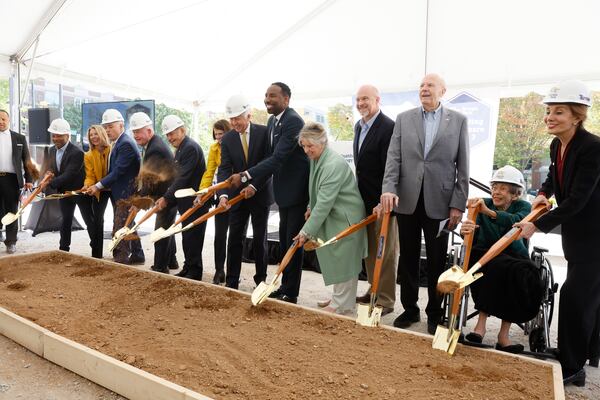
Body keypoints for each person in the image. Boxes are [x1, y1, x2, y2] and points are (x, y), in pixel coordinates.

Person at [517, 80, 600, 386]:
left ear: (577, 116)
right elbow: (555, 176)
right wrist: (542, 192)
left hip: (595, 237)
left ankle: (573, 366)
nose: (550, 117)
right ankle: (584, 352)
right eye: (549, 111)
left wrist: (537, 224)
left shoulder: (593, 148)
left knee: (576, 297)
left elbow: (578, 198)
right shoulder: (557, 145)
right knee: (589, 297)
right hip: (578, 237)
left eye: (559, 112)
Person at [381, 73, 469, 334]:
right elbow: (393, 158)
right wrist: (388, 189)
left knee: (436, 259)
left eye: (430, 85)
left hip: (440, 202)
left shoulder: (458, 121)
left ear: (443, 90)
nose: (424, 89)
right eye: (421, 85)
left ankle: (434, 313)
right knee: (407, 257)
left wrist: (458, 203)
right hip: (406, 199)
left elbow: (463, 167)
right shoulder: (404, 119)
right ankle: (409, 309)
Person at [231, 82, 309, 303]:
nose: (267, 99)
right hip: (283, 192)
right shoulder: (273, 121)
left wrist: (246, 175)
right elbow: (270, 160)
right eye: (266, 95)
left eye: (273, 96)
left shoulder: (294, 121)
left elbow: (278, 158)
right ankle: (284, 286)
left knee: (293, 243)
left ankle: (291, 292)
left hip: (296, 193)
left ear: (286, 99)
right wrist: (254, 184)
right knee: (285, 242)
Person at [461, 166, 543, 353]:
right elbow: (470, 232)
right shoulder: (482, 203)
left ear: (515, 195)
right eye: (495, 187)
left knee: (523, 274)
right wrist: (465, 229)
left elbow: (515, 223)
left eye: (503, 189)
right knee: (495, 266)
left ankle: (503, 335)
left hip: (514, 254)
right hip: (484, 253)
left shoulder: (523, 207)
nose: (496, 192)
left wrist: (488, 212)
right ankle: (479, 328)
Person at [294, 122, 367, 315]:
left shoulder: (332, 163)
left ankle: (343, 303)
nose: (307, 150)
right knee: (336, 259)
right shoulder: (317, 158)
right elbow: (315, 188)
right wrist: (310, 206)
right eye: (304, 145)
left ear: (323, 142)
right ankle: (338, 298)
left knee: (344, 259)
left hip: (345, 217)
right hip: (334, 215)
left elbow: (325, 202)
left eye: (311, 146)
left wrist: (305, 231)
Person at [217, 95, 273, 291]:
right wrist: (223, 195)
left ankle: (261, 281)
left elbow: (268, 165)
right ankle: (232, 281)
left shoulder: (265, 133)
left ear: (248, 115)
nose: (234, 123)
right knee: (234, 239)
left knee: (259, 239)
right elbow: (224, 169)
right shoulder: (228, 139)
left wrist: (254, 186)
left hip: (260, 194)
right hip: (237, 197)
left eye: (237, 118)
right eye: (231, 119)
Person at [353, 84, 399, 316]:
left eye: (366, 99)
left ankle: (386, 298)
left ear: (377, 100)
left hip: (384, 203)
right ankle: (374, 289)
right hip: (365, 200)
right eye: (358, 99)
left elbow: (390, 169)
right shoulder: (358, 127)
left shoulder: (388, 127)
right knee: (371, 250)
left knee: (386, 251)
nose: (361, 103)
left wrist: (384, 202)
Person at [86, 109, 144, 265]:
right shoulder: (118, 143)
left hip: (126, 194)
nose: (107, 130)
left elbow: (118, 171)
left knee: (120, 227)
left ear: (121, 125)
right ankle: (138, 254)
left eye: (110, 126)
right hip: (121, 192)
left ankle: (120, 260)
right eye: (105, 127)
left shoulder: (125, 144)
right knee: (128, 223)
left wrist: (98, 186)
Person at [155, 115, 208, 280]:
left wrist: (166, 198)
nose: (170, 138)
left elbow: (182, 178)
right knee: (187, 236)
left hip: (195, 201)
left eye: (173, 133)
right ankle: (188, 267)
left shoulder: (190, 148)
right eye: (168, 135)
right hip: (185, 201)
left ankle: (195, 271)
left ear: (183, 130)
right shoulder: (181, 148)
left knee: (193, 237)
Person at [130, 112, 178, 274]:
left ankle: (160, 267)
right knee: (166, 228)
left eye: (139, 131)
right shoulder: (152, 145)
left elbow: (150, 181)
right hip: (167, 192)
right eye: (134, 132)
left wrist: (138, 202)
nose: (136, 135)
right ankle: (172, 261)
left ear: (149, 131)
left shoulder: (154, 149)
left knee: (160, 232)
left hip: (166, 195)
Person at [41, 118, 92, 253]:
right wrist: (48, 174)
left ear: (68, 136)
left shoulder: (77, 152)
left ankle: (96, 249)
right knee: (65, 220)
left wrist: (50, 183)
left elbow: (69, 174)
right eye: (54, 135)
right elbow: (52, 168)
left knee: (89, 221)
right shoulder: (51, 151)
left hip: (80, 192)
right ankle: (64, 249)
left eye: (59, 135)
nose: (56, 138)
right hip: (64, 192)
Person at [199, 119, 232, 284]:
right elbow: (210, 171)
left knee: (234, 236)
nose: (219, 137)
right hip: (221, 192)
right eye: (216, 134)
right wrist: (203, 191)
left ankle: (233, 273)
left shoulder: (236, 145)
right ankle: (219, 270)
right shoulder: (214, 148)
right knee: (220, 234)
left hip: (238, 193)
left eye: (221, 134)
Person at [0, 109, 34, 254]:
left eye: (3, 119)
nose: (0, 122)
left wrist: (29, 179)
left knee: (12, 211)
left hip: (12, 179)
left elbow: (27, 161)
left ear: (9, 120)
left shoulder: (19, 138)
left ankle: (11, 242)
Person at [80, 124, 111, 258]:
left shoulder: (111, 149)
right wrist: (87, 185)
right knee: (98, 220)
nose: (93, 137)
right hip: (99, 190)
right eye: (91, 135)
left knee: (120, 218)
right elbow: (90, 175)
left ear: (102, 134)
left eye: (95, 134)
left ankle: (124, 251)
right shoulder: (88, 155)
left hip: (114, 188)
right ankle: (97, 254)